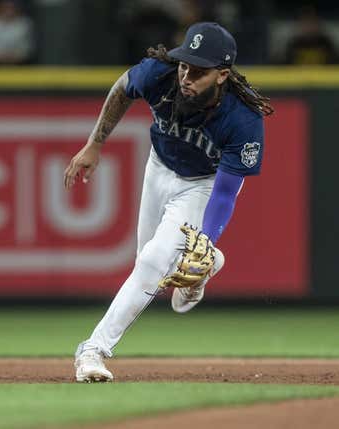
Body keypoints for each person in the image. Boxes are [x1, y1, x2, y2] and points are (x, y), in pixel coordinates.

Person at [64, 22, 273, 383]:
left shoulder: (243, 119)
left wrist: (206, 239)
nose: (187, 76)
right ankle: (204, 268)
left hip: (203, 184)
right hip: (159, 167)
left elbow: (225, 191)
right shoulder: (161, 74)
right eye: (184, 65)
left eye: (199, 71)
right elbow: (121, 89)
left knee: (152, 262)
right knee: (147, 264)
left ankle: (93, 349)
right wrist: (94, 143)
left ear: (223, 74)